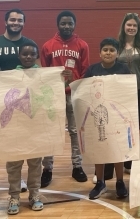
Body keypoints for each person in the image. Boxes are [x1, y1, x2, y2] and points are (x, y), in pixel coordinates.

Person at [0, 8, 34, 200]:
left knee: (17, 140)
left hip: (20, 103)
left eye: (20, 20)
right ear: (5, 22)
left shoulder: (29, 44)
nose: (16, 23)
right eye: (12, 19)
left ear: (23, 23)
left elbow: (37, 73)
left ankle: (16, 177)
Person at [40, 10, 89, 187]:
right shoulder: (48, 46)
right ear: (58, 25)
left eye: (70, 23)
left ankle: (77, 166)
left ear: (74, 25)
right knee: (51, 132)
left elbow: (84, 72)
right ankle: (47, 169)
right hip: (54, 96)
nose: (66, 26)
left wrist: (73, 81)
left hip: (74, 95)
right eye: (63, 23)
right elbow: (44, 73)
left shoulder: (82, 45)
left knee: (75, 132)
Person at [85, 38, 132, 200]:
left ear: (117, 53)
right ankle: (100, 182)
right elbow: (85, 92)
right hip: (97, 117)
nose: (108, 53)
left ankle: (120, 181)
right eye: (105, 50)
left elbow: (128, 92)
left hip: (115, 116)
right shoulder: (92, 70)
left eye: (112, 50)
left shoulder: (124, 69)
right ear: (99, 52)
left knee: (116, 149)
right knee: (100, 150)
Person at [6, 40, 46, 215]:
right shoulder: (10, 75)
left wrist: (63, 77)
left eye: (32, 54)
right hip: (16, 126)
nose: (28, 57)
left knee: (35, 163)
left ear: (37, 56)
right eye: (25, 54)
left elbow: (52, 93)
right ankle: (14, 196)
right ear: (19, 56)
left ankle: (34, 194)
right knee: (14, 163)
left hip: (36, 126)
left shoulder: (44, 74)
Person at [116, 13, 140, 177]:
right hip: (121, 92)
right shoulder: (116, 45)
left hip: (138, 90)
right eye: (129, 25)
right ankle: (118, 158)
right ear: (124, 26)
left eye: (134, 26)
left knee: (134, 127)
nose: (131, 28)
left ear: (138, 29)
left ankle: (129, 161)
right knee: (120, 126)